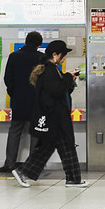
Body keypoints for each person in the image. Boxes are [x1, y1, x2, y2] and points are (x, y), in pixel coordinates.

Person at [11, 40, 89, 188]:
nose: (64, 58)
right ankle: (24, 171)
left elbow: (61, 91)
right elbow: (56, 90)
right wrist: (67, 77)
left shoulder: (52, 69)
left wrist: (69, 79)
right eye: (63, 55)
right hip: (55, 117)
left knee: (52, 148)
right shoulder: (49, 70)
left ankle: (72, 179)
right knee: (62, 147)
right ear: (55, 54)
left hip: (56, 116)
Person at [0, 31, 43, 174]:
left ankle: (9, 164)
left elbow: (7, 79)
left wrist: (14, 94)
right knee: (36, 133)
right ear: (39, 45)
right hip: (37, 102)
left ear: (25, 41)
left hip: (18, 101)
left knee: (15, 131)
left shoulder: (14, 56)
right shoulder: (42, 58)